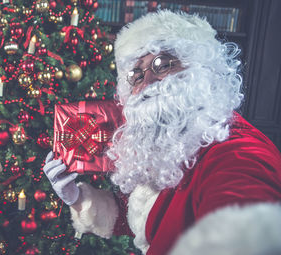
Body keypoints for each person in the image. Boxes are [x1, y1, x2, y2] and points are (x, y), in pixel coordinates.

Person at [43, 10, 281, 255]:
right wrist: (77, 197)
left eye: (163, 64)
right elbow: (146, 216)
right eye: (136, 75)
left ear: (202, 72)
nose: (146, 83)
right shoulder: (173, 141)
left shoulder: (238, 158)